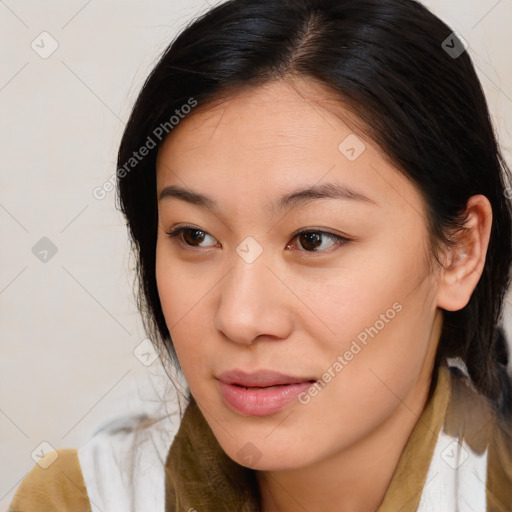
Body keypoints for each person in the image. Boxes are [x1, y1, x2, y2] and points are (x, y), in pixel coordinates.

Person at [9, 0, 512, 510]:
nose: (240, 318)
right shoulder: (79, 500)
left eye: (313, 239)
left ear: (460, 252)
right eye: (194, 236)